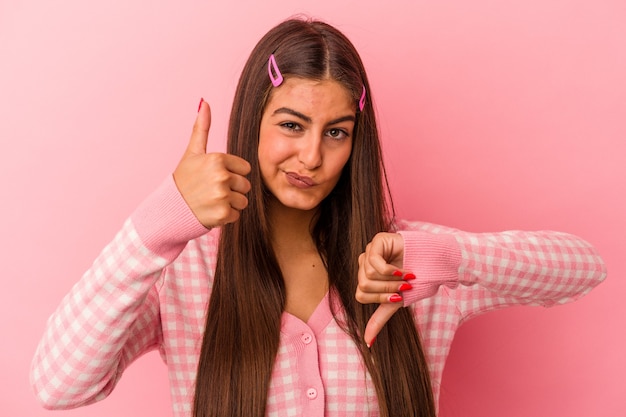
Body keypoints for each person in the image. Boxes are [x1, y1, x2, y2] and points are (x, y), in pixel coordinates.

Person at [30, 18, 607, 417]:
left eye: (336, 133)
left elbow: (585, 267)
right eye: (290, 125)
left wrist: (451, 259)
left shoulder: (407, 264)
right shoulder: (185, 274)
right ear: (253, 119)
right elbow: (60, 384)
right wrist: (158, 225)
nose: (311, 157)